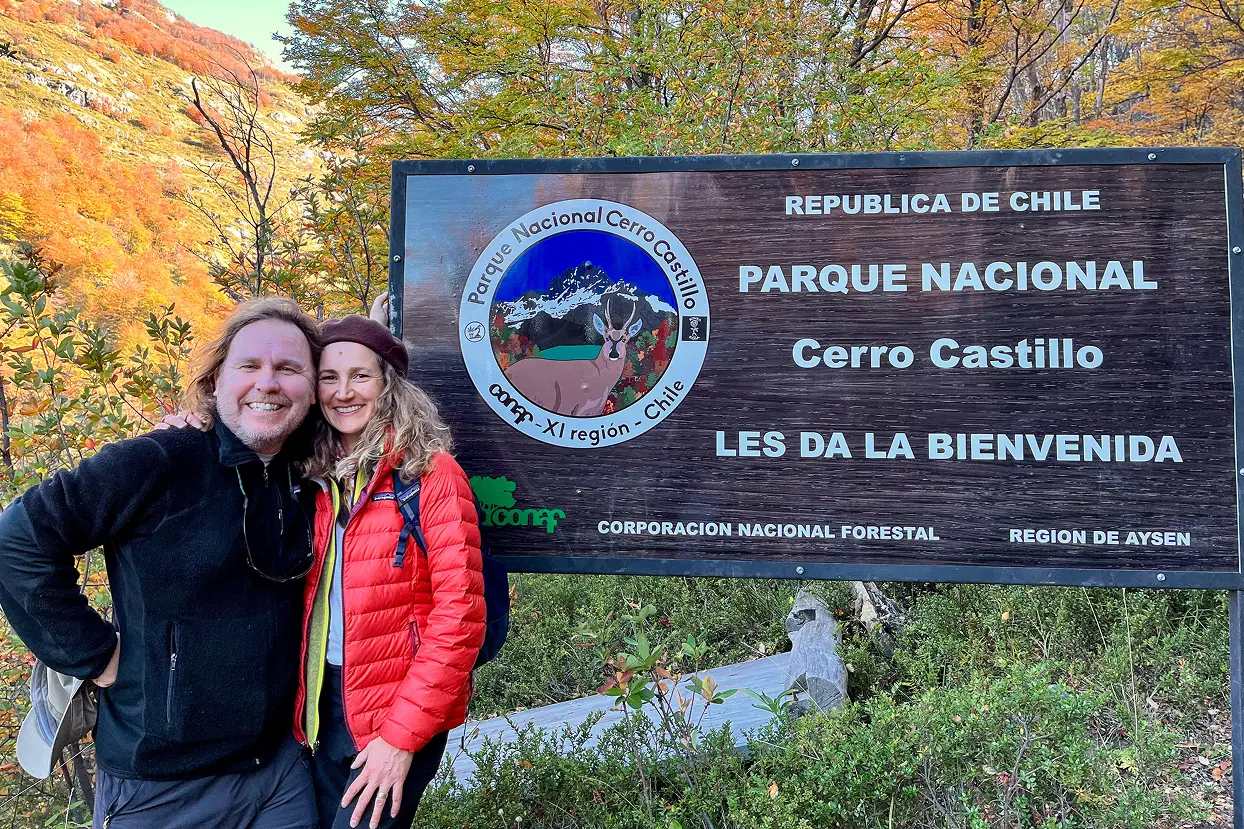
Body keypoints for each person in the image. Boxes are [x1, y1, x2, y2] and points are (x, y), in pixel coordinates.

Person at [0, 298, 322, 829]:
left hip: (278, 772)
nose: (268, 382)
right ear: (217, 380)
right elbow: (17, 541)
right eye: (249, 366)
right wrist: (94, 654)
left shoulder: (309, 476)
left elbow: (365, 394)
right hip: (163, 785)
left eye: (289, 369)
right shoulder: (158, 462)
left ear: (311, 392)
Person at [293, 315, 486, 829]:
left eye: (361, 376)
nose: (343, 392)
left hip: (394, 707)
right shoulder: (310, 472)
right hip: (317, 705)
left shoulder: (430, 474)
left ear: (389, 385)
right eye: (329, 378)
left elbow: (460, 618)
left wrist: (401, 739)